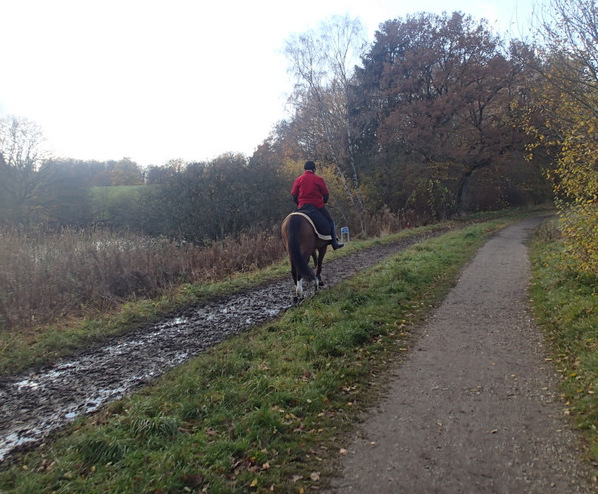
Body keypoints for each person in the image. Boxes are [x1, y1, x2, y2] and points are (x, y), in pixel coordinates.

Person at [291, 160, 344, 250]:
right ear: (314, 169)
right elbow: (326, 194)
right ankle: (334, 242)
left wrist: (299, 204)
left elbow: (294, 195)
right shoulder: (318, 179)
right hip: (317, 206)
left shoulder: (298, 180)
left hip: (302, 206)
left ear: (305, 169)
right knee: (331, 221)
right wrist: (324, 202)